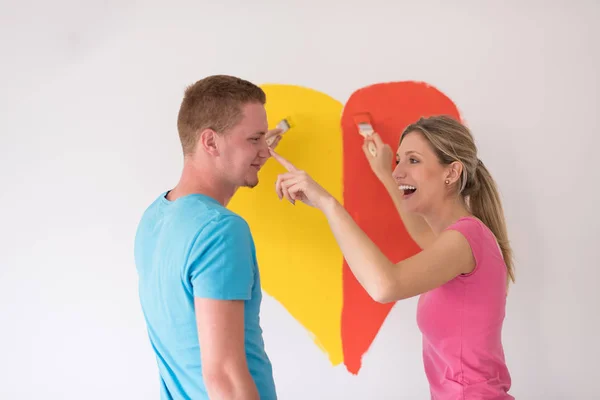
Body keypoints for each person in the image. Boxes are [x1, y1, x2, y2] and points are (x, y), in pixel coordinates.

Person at [269, 115, 514, 399]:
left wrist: (327, 203)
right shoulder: (457, 241)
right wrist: (385, 173)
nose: (399, 171)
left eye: (413, 160)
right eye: (399, 160)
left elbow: (385, 285)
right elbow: (421, 234)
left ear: (451, 172)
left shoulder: (465, 239)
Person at [134, 75, 282, 400]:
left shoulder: (154, 219)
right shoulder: (221, 231)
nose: (266, 152)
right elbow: (224, 378)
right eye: (255, 139)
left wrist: (247, 154)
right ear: (211, 142)